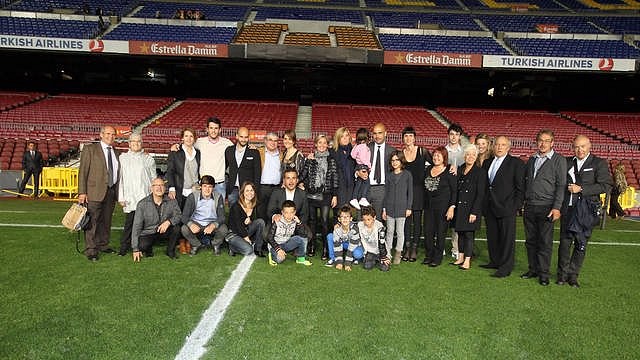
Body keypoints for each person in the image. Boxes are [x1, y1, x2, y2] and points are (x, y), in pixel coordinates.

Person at [557, 135, 612, 288]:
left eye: (582, 146)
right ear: (572, 147)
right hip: (568, 209)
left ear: (589, 146)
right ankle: (561, 275)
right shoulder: (566, 162)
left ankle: (573, 276)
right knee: (564, 242)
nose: (579, 150)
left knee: (581, 243)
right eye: (576, 147)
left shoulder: (598, 163)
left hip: (587, 210)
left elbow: (605, 185)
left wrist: (581, 189)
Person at [522, 129, 567, 286]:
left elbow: (561, 185)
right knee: (530, 240)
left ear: (552, 143)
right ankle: (533, 269)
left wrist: (556, 207)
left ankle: (544, 273)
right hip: (530, 206)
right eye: (540, 140)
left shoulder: (559, 160)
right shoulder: (532, 159)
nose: (542, 143)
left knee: (545, 242)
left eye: (546, 141)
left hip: (547, 206)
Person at [481, 136, 525, 278]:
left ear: (508, 147)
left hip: (507, 208)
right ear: (493, 146)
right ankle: (495, 261)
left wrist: (515, 206)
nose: (499, 147)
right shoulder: (487, 162)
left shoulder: (516, 163)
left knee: (507, 239)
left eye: (502, 145)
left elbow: (520, 188)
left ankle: (505, 267)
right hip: (490, 207)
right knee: (492, 236)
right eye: (497, 144)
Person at [78, 125, 120, 261]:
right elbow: (82, 172)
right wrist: (82, 192)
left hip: (111, 191)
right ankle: (91, 249)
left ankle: (103, 244)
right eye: (108, 133)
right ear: (101, 135)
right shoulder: (90, 149)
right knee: (92, 221)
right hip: (93, 192)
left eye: (113, 134)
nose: (110, 136)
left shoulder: (116, 152)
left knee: (106, 220)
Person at [299, 134, 339, 259]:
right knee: (312, 221)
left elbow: (335, 178)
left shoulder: (331, 160)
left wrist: (335, 195)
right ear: (315, 144)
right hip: (311, 194)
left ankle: (326, 249)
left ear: (327, 145)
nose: (322, 145)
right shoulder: (310, 158)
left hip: (325, 195)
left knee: (325, 221)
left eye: (324, 143)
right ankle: (311, 246)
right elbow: (303, 175)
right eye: (319, 143)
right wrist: (295, 182)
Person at [117, 133, 156, 256]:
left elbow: (153, 179)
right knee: (130, 224)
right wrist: (121, 196)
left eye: (139, 141)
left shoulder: (148, 159)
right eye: (133, 141)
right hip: (130, 197)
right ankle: (124, 247)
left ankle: (146, 247)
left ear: (142, 142)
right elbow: (120, 179)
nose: (136, 143)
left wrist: (153, 197)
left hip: (144, 197)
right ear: (129, 143)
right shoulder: (122, 158)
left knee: (145, 225)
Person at [451, 144, 486, 270]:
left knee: (469, 235)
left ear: (476, 157)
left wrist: (474, 212)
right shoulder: (460, 169)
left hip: (471, 208)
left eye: (473, 155)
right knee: (460, 233)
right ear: (464, 156)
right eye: (468, 154)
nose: (470, 157)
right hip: (460, 208)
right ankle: (460, 257)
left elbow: (481, 194)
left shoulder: (480, 172)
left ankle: (467, 260)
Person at [131, 177, 182, 261]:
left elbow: (179, 215)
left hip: (164, 231)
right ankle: (148, 249)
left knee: (176, 228)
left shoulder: (171, 201)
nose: (159, 188)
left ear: (165, 188)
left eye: (161, 185)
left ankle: (170, 251)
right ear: (152, 188)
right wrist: (135, 249)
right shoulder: (142, 204)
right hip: (149, 232)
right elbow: (136, 227)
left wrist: (169, 222)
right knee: (142, 246)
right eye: (156, 185)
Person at [423, 146, 457, 267]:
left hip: (443, 208)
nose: (436, 157)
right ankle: (429, 255)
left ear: (444, 158)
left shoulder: (449, 171)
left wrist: (451, 207)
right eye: (435, 155)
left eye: (439, 155)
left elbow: (454, 191)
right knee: (428, 232)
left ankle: (437, 258)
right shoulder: (428, 170)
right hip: (428, 207)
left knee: (440, 233)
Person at [402, 126, 431, 262]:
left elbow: (435, 164)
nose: (408, 138)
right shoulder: (400, 154)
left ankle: (414, 248)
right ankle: (407, 247)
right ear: (403, 138)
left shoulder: (422, 151)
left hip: (419, 191)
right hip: (405, 192)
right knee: (407, 221)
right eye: (406, 136)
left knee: (417, 221)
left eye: (411, 136)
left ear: (414, 138)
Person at [181, 175, 229, 256]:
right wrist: (191, 224)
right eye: (205, 186)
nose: (207, 189)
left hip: (211, 223)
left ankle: (216, 244)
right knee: (184, 229)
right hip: (197, 223)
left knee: (224, 229)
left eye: (210, 187)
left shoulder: (218, 196)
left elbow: (222, 217)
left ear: (213, 188)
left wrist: (213, 225)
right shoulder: (192, 196)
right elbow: (184, 216)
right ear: (201, 187)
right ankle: (196, 244)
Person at [382, 150, 413, 265]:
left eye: (397, 160)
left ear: (401, 161)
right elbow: (386, 193)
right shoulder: (389, 176)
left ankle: (398, 253)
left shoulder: (407, 174)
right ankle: (388, 253)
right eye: (393, 160)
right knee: (389, 231)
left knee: (400, 232)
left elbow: (410, 193)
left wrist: (409, 207)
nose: (395, 162)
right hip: (390, 208)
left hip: (402, 208)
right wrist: (384, 209)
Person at [195, 117, 233, 200]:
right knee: (203, 210)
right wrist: (176, 146)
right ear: (207, 129)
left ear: (220, 130)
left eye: (216, 128)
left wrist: (250, 147)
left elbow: (238, 150)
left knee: (219, 211)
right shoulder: (199, 142)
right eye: (211, 128)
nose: (213, 131)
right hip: (205, 184)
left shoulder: (226, 143)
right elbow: (187, 147)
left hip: (219, 184)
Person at [266, 200, 312, 266]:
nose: (289, 215)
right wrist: (278, 249)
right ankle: (272, 254)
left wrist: (299, 223)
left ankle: (300, 259)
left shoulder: (295, 221)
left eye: (291, 212)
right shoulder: (277, 221)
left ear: (295, 212)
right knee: (280, 259)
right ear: (282, 212)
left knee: (301, 239)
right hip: (275, 246)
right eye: (286, 213)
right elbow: (269, 238)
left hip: (286, 244)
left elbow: (303, 235)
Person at [225, 127, 261, 207]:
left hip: (247, 190)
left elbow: (257, 173)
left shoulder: (254, 152)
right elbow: (224, 167)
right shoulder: (229, 150)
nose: (244, 139)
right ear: (237, 136)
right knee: (233, 213)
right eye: (241, 137)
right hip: (233, 188)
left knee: (247, 214)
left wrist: (255, 190)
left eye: (246, 137)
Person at [227, 181, 265, 257]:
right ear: (242, 192)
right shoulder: (236, 206)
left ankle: (258, 249)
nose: (250, 193)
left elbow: (256, 221)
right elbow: (238, 225)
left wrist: (250, 221)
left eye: (251, 190)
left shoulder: (255, 204)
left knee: (260, 222)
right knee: (249, 250)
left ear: (254, 192)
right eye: (247, 190)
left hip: (246, 230)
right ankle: (232, 247)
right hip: (234, 234)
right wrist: (246, 238)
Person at [166, 127, 200, 209]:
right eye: (186, 136)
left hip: (194, 190)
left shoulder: (198, 153)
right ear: (182, 138)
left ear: (194, 138)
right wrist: (171, 188)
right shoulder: (175, 152)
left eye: (191, 136)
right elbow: (170, 171)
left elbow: (199, 170)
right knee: (179, 217)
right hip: (179, 190)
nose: (189, 138)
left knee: (193, 217)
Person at [368, 122, 397, 220]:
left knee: (378, 220)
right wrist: (357, 172)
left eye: (380, 133)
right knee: (362, 219)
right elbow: (357, 165)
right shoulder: (367, 148)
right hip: (365, 187)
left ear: (385, 133)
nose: (377, 136)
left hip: (382, 189)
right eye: (375, 133)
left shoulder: (392, 151)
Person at [446, 123, 465, 259]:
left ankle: (455, 247)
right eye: (452, 134)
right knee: (441, 219)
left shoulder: (464, 153)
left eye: (456, 135)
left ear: (460, 136)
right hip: (445, 190)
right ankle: (439, 245)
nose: (454, 137)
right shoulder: (442, 151)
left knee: (456, 221)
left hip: (459, 190)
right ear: (448, 135)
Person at [325, 205, 363, 270]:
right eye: (342, 217)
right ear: (339, 219)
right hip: (344, 244)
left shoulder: (355, 229)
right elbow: (337, 246)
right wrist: (339, 262)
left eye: (347, 217)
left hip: (355, 245)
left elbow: (351, 247)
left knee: (358, 254)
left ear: (351, 219)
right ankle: (333, 259)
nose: (345, 219)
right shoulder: (337, 229)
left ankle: (355, 258)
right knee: (330, 236)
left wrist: (347, 264)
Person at [257, 132, 282, 222]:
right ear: (265, 141)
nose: (273, 142)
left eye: (275, 140)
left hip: (277, 188)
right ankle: (260, 234)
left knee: (275, 213)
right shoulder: (258, 152)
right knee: (261, 212)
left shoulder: (281, 155)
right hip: (263, 188)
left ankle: (272, 233)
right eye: (270, 140)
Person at [331, 127, 356, 210]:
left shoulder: (354, 152)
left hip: (351, 188)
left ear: (350, 137)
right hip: (338, 188)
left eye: (347, 135)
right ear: (338, 139)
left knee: (350, 215)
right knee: (338, 215)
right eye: (342, 136)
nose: (345, 138)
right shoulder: (332, 152)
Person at [358, 206, 390, 271]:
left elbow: (382, 243)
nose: (366, 222)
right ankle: (373, 260)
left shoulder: (379, 226)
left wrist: (386, 256)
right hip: (369, 252)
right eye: (364, 220)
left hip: (380, 251)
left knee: (385, 268)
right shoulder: (360, 225)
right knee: (367, 266)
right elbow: (350, 224)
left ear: (374, 218)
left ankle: (379, 259)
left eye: (368, 219)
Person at [349, 127, 371, 209]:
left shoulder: (357, 146)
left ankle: (354, 198)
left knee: (359, 183)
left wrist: (355, 146)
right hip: (363, 166)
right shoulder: (364, 146)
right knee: (366, 182)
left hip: (358, 166)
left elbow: (353, 155)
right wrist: (368, 165)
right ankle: (363, 198)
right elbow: (363, 158)